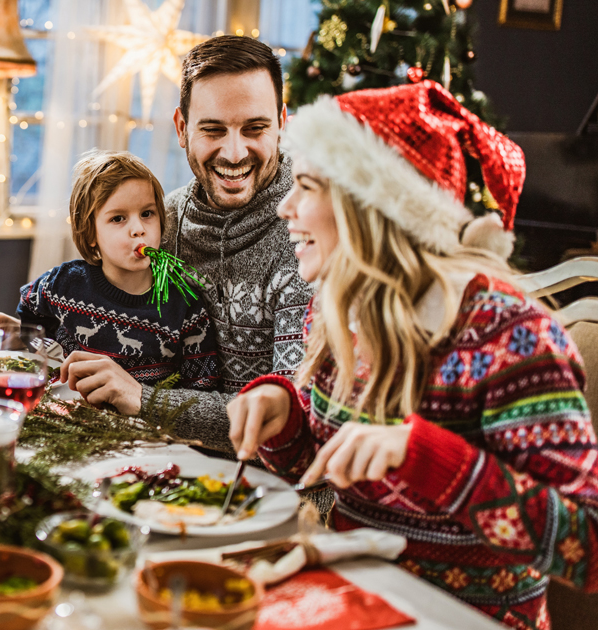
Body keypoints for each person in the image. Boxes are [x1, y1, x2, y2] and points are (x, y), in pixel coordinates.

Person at [227, 81, 593, 630]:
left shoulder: (510, 337)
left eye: (305, 185)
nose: (284, 207)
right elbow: (320, 470)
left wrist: (427, 456)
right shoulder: (339, 311)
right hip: (350, 603)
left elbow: (586, 547)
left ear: (371, 208)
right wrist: (283, 418)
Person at [0, 37, 312, 452]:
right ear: (183, 129)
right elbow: (102, 327)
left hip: (271, 488)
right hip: (150, 457)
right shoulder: (160, 224)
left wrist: (143, 399)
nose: (235, 151)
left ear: (282, 124)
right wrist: (29, 340)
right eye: (213, 129)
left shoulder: (311, 238)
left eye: (255, 128)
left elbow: (297, 424)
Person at [0, 150, 220, 391]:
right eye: (118, 218)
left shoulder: (185, 306)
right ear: (90, 235)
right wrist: (16, 332)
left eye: (147, 213)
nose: (138, 229)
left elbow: (200, 386)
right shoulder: (62, 284)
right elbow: (40, 336)